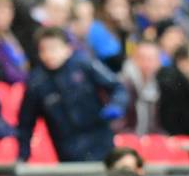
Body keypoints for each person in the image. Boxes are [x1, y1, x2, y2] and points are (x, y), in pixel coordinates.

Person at [17, 27, 128, 162]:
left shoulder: (84, 65)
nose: (49, 54)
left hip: (100, 140)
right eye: (43, 49)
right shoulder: (36, 83)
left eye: (54, 48)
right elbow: (26, 123)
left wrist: (117, 105)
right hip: (68, 151)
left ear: (67, 49)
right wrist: (23, 156)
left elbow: (118, 87)